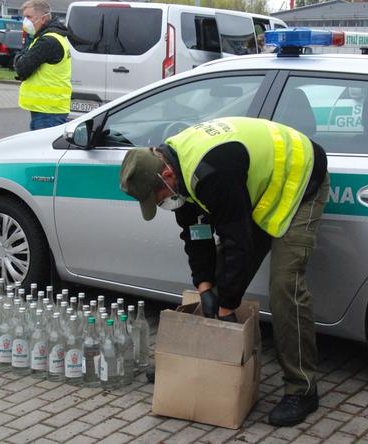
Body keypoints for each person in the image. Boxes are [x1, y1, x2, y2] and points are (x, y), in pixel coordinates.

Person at [119, 117, 330, 426]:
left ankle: (303, 389)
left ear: (166, 176)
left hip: (299, 180)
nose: (162, 203)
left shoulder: (211, 173)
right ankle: (191, 361)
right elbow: (196, 235)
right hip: (255, 188)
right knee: (218, 274)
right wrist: (205, 287)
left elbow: (239, 244)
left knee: (285, 286)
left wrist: (227, 305)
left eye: (159, 197)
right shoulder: (179, 174)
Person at [14, 0, 71, 131]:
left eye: (29, 17)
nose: (25, 21)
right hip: (48, 109)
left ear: (43, 18)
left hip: (47, 111)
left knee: (43, 150)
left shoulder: (47, 41)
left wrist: (20, 55)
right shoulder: (53, 36)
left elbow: (22, 68)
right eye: (24, 17)